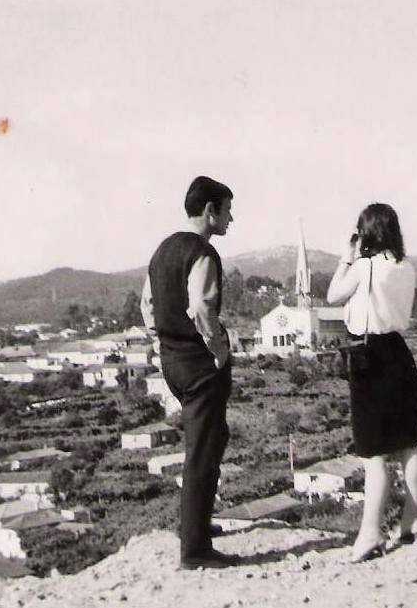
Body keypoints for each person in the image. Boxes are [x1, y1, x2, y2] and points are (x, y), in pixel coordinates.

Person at [140, 176, 237, 570]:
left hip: (172, 362)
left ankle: (197, 523)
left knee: (212, 438)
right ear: (210, 211)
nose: (231, 218)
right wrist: (219, 351)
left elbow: (147, 305)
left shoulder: (163, 249)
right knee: (202, 451)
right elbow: (200, 307)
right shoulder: (203, 252)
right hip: (199, 364)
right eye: (227, 210)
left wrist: (161, 341)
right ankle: (194, 549)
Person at [326, 202, 417, 563]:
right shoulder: (406, 267)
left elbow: (333, 295)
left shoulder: (364, 266)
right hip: (399, 352)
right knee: (408, 444)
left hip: (369, 356)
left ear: (366, 232)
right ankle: (411, 521)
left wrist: (346, 257)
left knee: (373, 453)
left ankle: (370, 533)